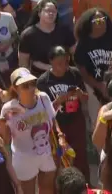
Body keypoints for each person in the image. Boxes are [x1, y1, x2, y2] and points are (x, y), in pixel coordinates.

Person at [0, 67, 62, 194]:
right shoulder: (8, 108)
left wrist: (60, 136)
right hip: (24, 159)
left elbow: (53, 121)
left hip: (47, 153)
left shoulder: (43, 98)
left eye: (32, 84)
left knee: (48, 189)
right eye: (25, 86)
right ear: (16, 89)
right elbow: (5, 139)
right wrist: (2, 122)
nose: (31, 88)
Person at [36, 46, 91, 182]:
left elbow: (85, 98)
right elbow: (44, 109)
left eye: (66, 62)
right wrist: (59, 100)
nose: (64, 66)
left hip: (75, 120)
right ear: (51, 62)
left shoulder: (74, 74)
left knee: (80, 155)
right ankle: (62, 186)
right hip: (57, 123)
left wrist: (80, 94)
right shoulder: (43, 81)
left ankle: (85, 183)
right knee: (59, 156)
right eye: (60, 63)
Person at [74, 8, 112, 122]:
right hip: (92, 85)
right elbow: (82, 71)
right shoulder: (84, 43)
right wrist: (98, 86)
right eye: (97, 21)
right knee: (99, 119)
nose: (102, 23)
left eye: (103, 19)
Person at [18, 0, 75, 77]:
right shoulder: (28, 35)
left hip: (64, 73)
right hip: (40, 76)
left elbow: (74, 53)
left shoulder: (64, 30)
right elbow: (23, 64)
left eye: (54, 11)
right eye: (47, 10)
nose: (51, 13)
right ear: (39, 13)